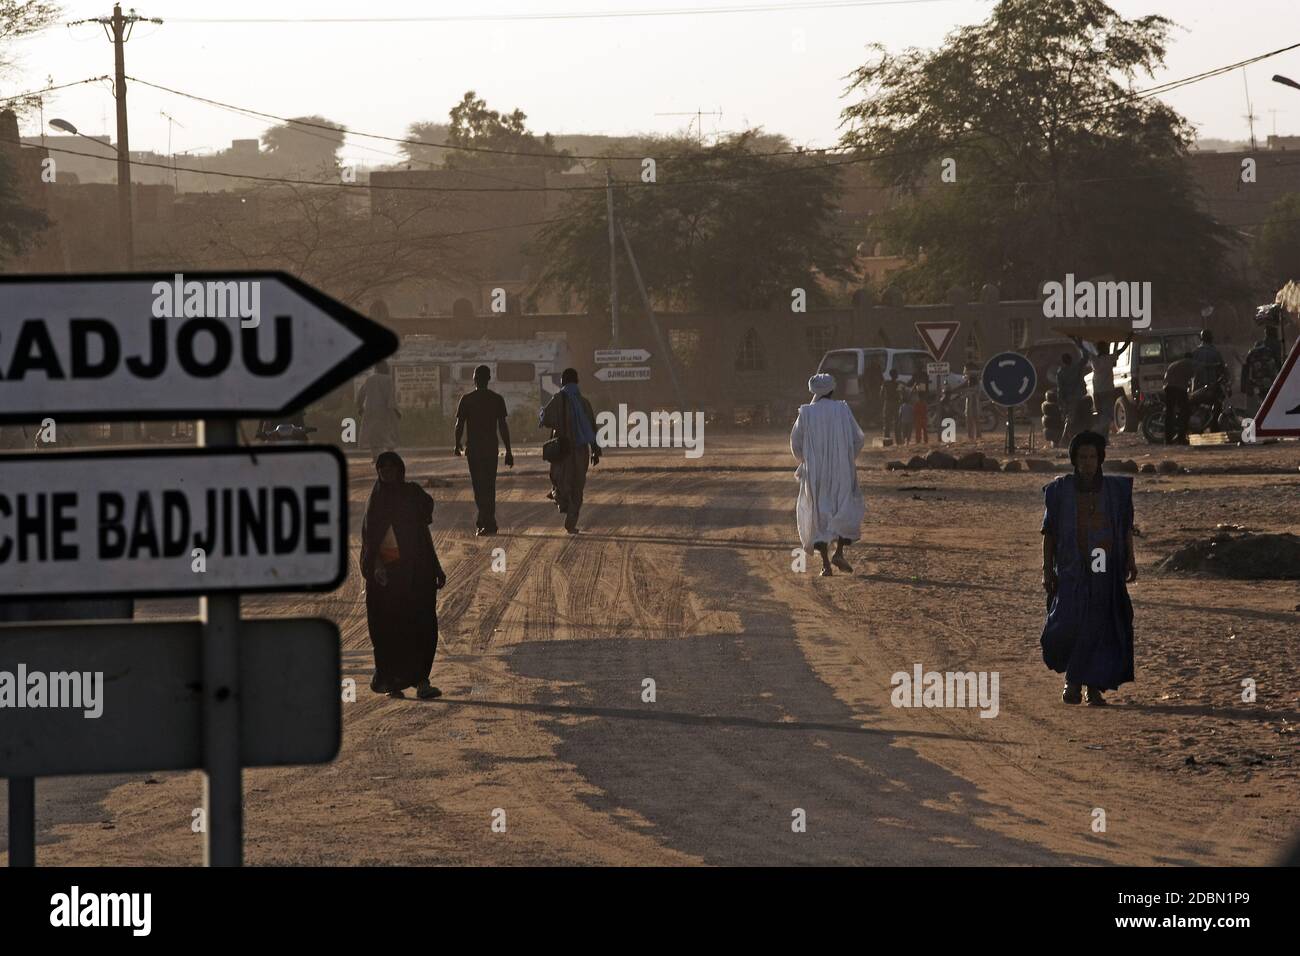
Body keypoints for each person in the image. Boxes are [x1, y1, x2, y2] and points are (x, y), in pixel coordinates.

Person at [1040, 430, 1137, 707]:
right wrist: (1048, 570)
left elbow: (1125, 528)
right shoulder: (1059, 492)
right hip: (1072, 569)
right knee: (1069, 624)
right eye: (1082, 457)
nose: (1087, 462)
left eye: (1092, 456)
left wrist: (1130, 559)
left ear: (1100, 459)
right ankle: (1073, 680)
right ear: (1074, 459)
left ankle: (1092, 687)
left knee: (1102, 626)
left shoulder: (1115, 492)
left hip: (1105, 569)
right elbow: (1049, 534)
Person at [359, 452, 446, 700]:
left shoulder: (413, 495)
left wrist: (436, 567)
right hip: (388, 578)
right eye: (382, 469)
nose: (387, 473)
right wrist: (377, 568)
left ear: (400, 470)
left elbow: (423, 534)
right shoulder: (376, 502)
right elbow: (371, 543)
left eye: (391, 468)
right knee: (389, 629)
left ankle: (422, 681)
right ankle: (391, 681)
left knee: (422, 625)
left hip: (417, 573)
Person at [791, 373, 866, 577]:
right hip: (841, 470)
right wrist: (847, 458)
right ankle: (839, 552)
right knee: (843, 507)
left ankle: (825, 564)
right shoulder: (842, 409)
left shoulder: (806, 413)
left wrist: (805, 461)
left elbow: (795, 444)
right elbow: (858, 438)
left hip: (816, 473)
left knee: (819, 515)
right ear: (832, 390)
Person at [454, 365, 514, 536]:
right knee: (489, 485)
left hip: (474, 449)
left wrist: (457, 443)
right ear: (488, 379)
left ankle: (485, 522)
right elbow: (503, 426)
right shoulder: (496, 399)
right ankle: (489, 521)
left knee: (478, 486)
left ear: (474, 379)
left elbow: (459, 425)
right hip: (490, 448)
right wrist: (508, 451)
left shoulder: (466, 399)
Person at [539, 368, 600, 534]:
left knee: (559, 480)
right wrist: (595, 450)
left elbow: (545, 419)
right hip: (581, 452)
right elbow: (592, 428)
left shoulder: (557, 399)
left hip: (562, 450)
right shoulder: (584, 402)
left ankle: (559, 498)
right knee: (578, 485)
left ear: (562, 382)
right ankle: (571, 521)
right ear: (577, 382)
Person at [357, 360, 401, 456]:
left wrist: (360, 407)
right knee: (388, 432)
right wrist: (396, 411)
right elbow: (391, 398)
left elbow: (360, 395)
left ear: (376, 369)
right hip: (384, 411)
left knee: (373, 434)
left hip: (370, 411)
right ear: (386, 368)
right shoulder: (388, 380)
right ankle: (390, 454)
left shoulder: (369, 380)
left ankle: (375, 456)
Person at [1241, 324, 1283, 410]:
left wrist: (1244, 385)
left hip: (1257, 383)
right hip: (1271, 382)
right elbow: (1279, 364)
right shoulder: (1276, 346)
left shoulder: (1253, 351)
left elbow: (1245, 367)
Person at [1163, 355, 1197, 444]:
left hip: (1168, 387)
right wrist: (1192, 392)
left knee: (1169, 413)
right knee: (1185, 412)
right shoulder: (1191, 363)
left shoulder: (1175, 363)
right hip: (1179, 388)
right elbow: (1194, 379)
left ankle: (1168, 439)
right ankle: (1181, 437)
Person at [1055, 352, 1083, 443]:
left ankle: (1066, 438)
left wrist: (1060, 400)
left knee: (1068, 417)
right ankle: (1064, 438)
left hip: (1066, 397)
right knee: (1070, 417)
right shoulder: (1076, 369)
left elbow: (1060, 388)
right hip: (1075, 395)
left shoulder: (1061, 372)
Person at [880, 368, 902, 446]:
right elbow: (900, 395)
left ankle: (886, 441)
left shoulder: (885, 383)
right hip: (895, 404)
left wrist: (884, 401)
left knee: (887, 423)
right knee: (897, 423)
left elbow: (881, 393)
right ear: (895, 376)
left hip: (888, 403)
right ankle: (899, 441)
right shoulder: (898, 384)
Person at [963, 367, 982, 440]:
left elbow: (973, 393)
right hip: (972, 402)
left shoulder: (974, 383)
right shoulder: (971, 383)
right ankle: (974, 435)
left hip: (973, 402)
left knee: (972, 419)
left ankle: (973, 435)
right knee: (973, 419)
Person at [912, 380, 929, 444]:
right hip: (923, 418)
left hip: (919, 418)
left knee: (919, 431)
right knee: (924, 430)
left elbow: (914, 412)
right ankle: (925, 441)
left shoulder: (917, 403)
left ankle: (918, 441)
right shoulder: (923, 403)